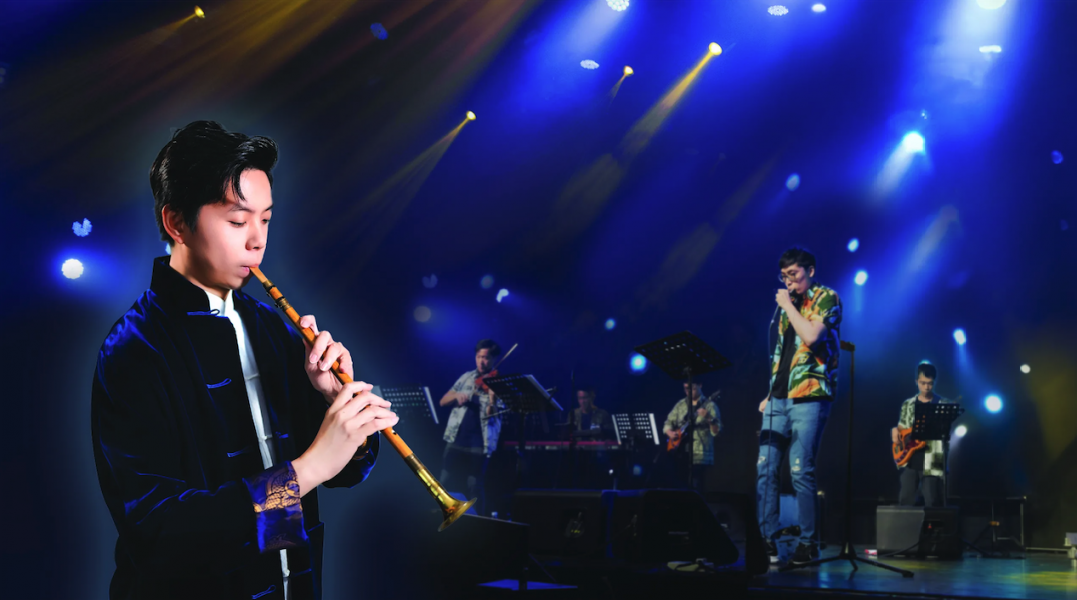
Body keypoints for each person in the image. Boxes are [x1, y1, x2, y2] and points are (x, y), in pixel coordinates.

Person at [91, 121, 398, 600]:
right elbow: (159, 533)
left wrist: (333, 403)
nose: (257, 240)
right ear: (177, 223)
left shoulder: (271, 325)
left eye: (266, 219)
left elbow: (345, 474)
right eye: (237, 222)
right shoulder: (134, 349)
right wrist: (306, 471)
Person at [757, 247, 842, 565]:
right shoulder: (787, 307)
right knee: (765, 468)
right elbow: (783, 353)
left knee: (799, 470)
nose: (788, 282)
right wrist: (770, 392)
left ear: (810, 270)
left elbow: (811, 337)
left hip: (809, 396)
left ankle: (808, 542)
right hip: (779, 398)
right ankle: (766, 538)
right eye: (784, 276)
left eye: (793, 274)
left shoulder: (826, 297)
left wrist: (787, 306)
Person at [438, 339, 505, 513]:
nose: (482, 361)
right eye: (479, 357)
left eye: (486, 358)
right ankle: (437, 513)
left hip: (480, 441)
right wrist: (457, 395)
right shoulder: (466, 377)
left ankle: (478, 521)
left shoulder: (498, 383)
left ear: (493, 359)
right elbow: (443, 401)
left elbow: (493, 415)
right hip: (456, 437)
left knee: (474, 485)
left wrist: (492, 398)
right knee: (443, 480)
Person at [892, 362, 954, 507]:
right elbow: (902, 426)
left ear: (934, 382)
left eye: (930, 383)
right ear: (916, 381)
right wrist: (895, 431)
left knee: (933, 502)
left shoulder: (942, 403)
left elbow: (946, 432)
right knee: (905, 499)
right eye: (923, 383)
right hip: (910, 458)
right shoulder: (908, 404)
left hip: (932, 458)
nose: (926, 387)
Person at [661, 382, 721, 492]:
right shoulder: (680, 404)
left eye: (691, 388)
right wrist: (669, 432)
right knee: (679, 488)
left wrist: (708, 417)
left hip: (700, 456)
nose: (688, 391)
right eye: (685, 388)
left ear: (700, 385)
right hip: (680, 454)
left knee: (696, 489)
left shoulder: (710, 405)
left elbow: (717, 431)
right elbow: (668, 423)